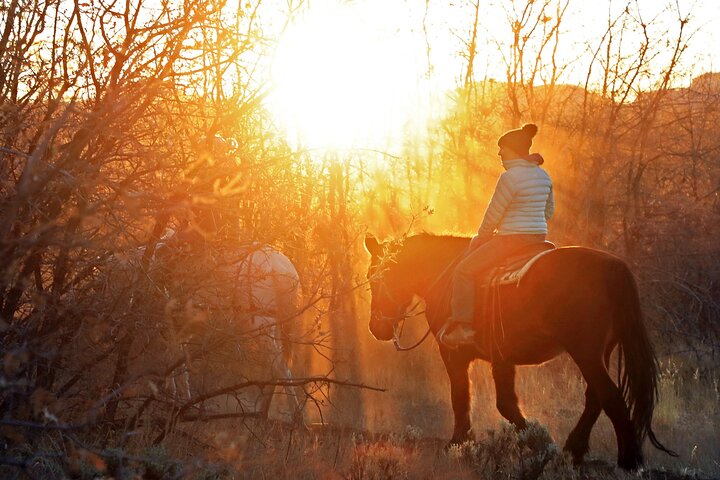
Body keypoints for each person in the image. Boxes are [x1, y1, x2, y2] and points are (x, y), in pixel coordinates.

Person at [441, 123, 554, 348]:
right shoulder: (543, 175)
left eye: (503, 149)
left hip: (511, 240)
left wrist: (480, 239)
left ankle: (463, 328)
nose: (499, 153)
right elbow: (548, 212)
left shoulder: (510, 177)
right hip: (539, 239)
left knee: (463, 271)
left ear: (513, 150)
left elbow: (492, 216)